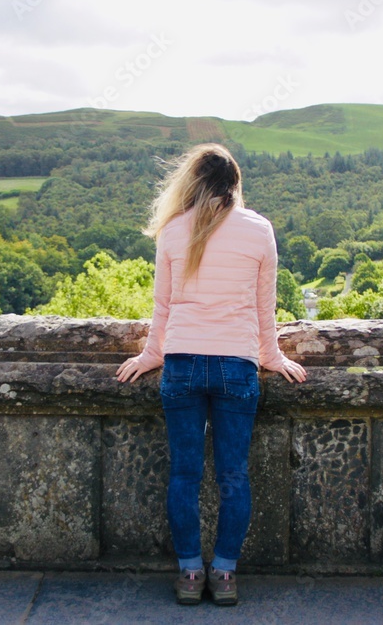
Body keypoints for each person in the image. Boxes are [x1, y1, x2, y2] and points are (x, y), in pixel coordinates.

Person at [116, 143, 307, 606]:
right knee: (233, 476)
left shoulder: (172, 232)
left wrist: (149, 355)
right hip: (236, 365)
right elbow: (265, 308)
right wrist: (273, 356)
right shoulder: (259, 230)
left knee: (183, 474)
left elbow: (163, 307)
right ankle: (223, 575)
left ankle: (187, 574)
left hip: (180, 363)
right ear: (235, 185)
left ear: (191, 182)